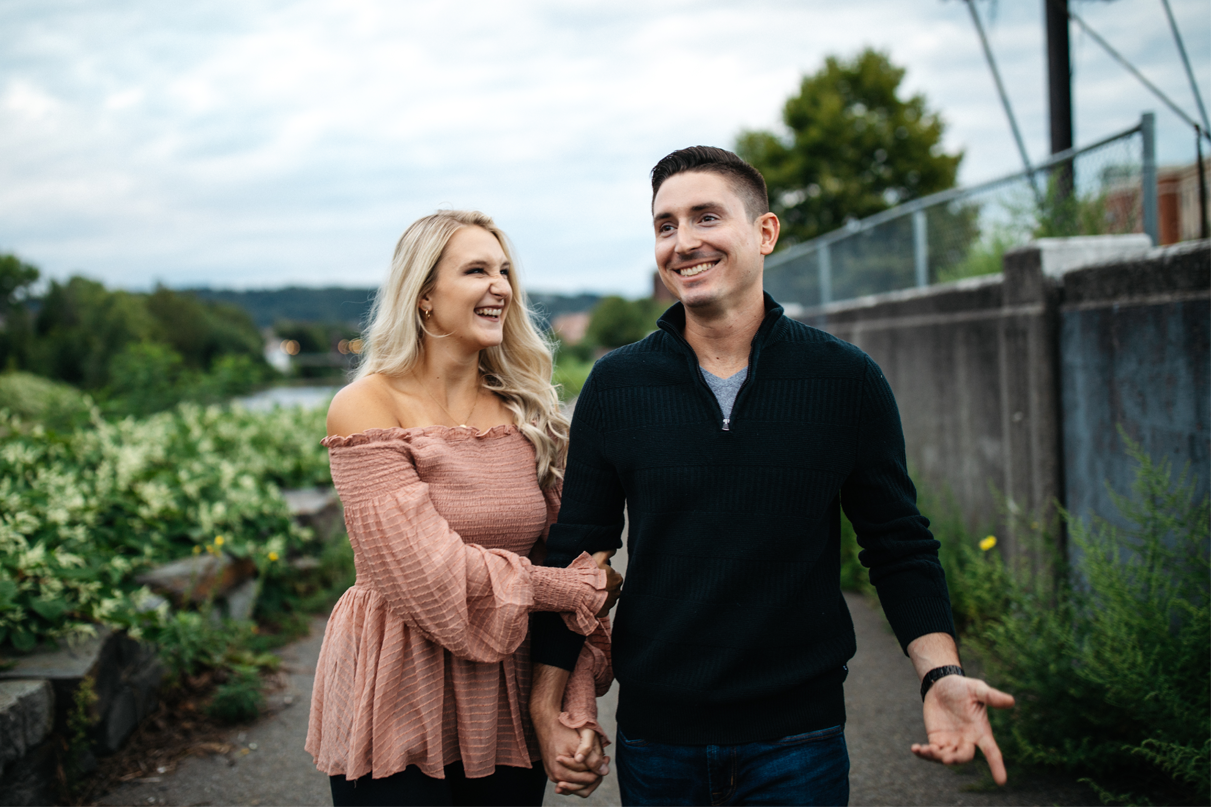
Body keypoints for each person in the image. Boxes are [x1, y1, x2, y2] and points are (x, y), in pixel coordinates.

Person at [529, 147, 1015, 805]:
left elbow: (897, 544)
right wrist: (548, 704)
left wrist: (940, 673)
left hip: (798, 740)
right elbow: (577, 557)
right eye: (665, 224)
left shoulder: (844, 380)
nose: (683, 242)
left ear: (765, 233)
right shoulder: (617, 385)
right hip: (658, 738)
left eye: (705, 217)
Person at [306, 210, 622, 807]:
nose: (500, 286)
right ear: (424, 297)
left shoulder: (531, 416)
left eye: (504, 271)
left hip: (504, 691)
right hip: (397, 682)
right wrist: (569, 588)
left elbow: (572, 556)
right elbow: (430, 577)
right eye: (476, 270)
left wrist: (568, 711)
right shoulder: (365, 407)